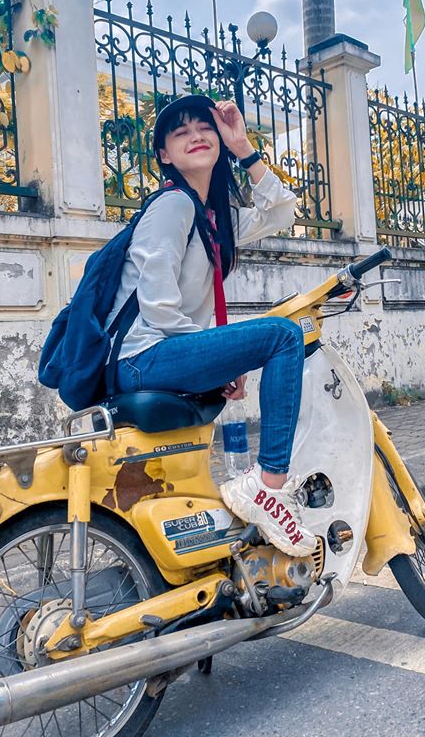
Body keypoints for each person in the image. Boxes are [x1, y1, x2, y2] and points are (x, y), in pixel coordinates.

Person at [106, 94, 316, 557]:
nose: (196, 136)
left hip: (161, 353)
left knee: (276, 336)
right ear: (164, 155)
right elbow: (159, 310)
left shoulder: (214, 218)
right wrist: (221, 361)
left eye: (204, 127)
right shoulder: (173, 206)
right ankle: (268, 487)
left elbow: (283, 212)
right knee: (283, 336)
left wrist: (243, 147)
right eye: (180, 132)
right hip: (141, 357)